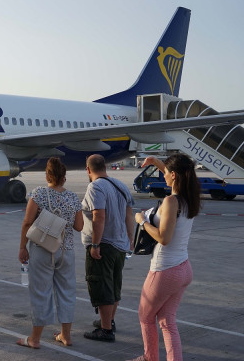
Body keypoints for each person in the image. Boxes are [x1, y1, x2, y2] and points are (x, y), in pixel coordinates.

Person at [128, 154, 200, 361]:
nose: (164, 175)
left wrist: (142, 221)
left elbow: (163, 238)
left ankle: (149, 357)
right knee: (167, 321)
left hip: (165, 270)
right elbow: (176, 174)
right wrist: (156, 163)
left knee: (145, 316)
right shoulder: (188, 198)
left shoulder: (170, 201)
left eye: (166, 172)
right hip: (183, 268)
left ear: (174, 175)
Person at [16, 157, 83, 349]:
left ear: (47, 175)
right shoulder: (73, 197)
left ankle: (35, 339)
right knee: (67, 292)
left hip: (42, 250)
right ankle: (66, 335)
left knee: (41, 293)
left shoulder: (38, 194)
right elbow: (79, 226)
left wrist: (22, 247)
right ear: (64, 177)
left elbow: (27, 222)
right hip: (65, 251)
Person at [81, 154, 135, 342]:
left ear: (88, 170)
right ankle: (109, 321)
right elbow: (129, 214)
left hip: (104, 244)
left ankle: (105, 330)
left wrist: (95, 244)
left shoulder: (95, 187)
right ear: (105, 167)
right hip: (120, 245)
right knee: (114, 284)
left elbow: (99, 216)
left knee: (102, 286)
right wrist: (130, 238)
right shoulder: (120, 185)